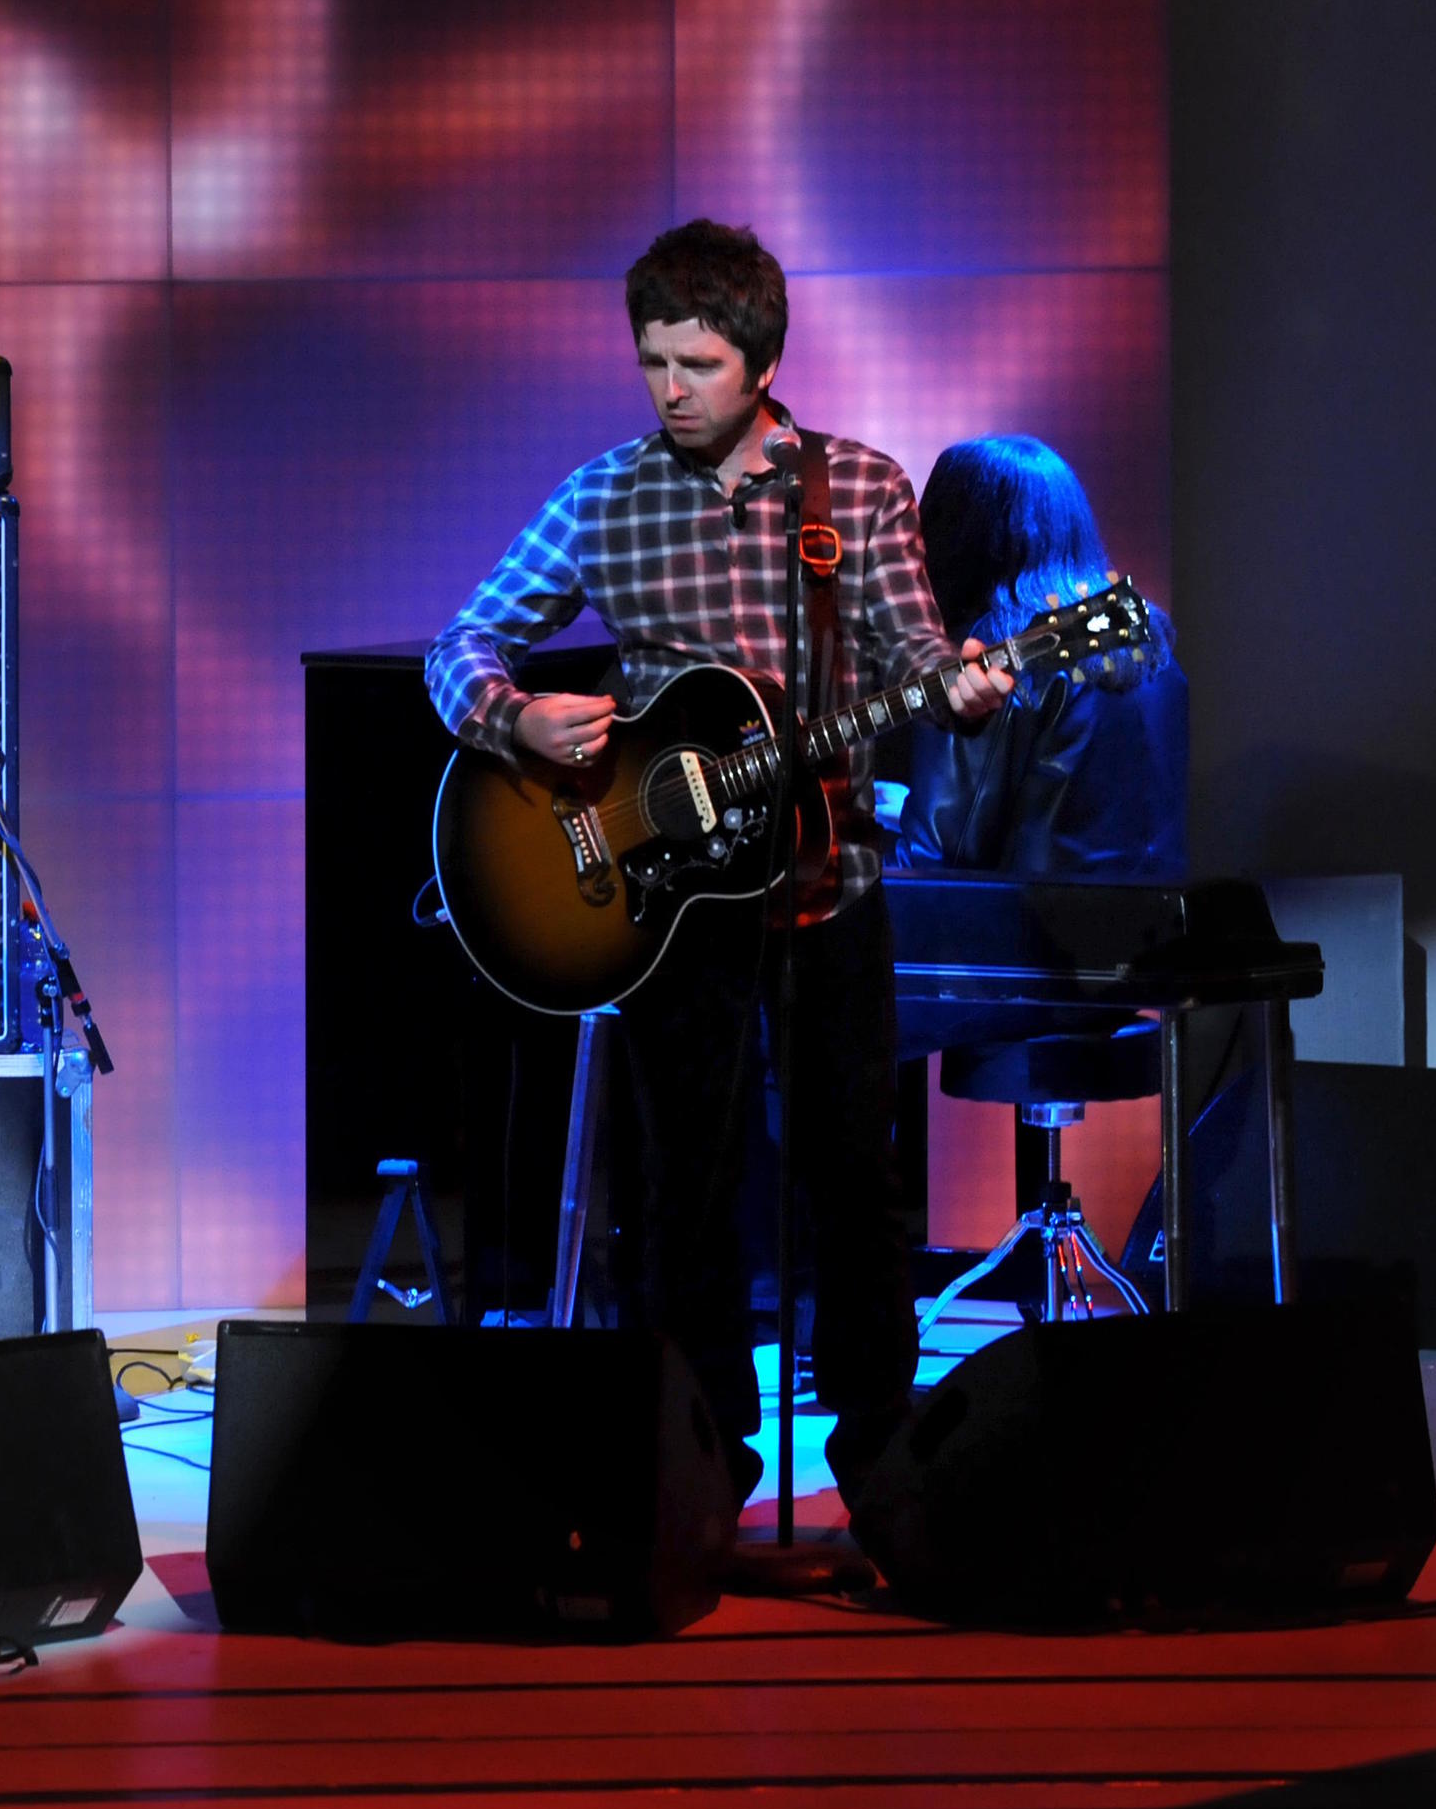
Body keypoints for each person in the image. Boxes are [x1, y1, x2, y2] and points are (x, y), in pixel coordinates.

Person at [425, 220, 1009, 1507]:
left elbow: (914, 649)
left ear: (761, 361)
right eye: (653, 363)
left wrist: (957, 688)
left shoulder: (851, 488)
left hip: (828, 890)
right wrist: (513, 717)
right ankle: (700, 1458)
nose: (671, 389)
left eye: (697, 363)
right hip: (666, 904)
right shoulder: (603, 496)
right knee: (679, 1190)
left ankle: (878, 1459)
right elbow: (461, 639)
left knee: (855, 1179)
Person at [886, 434, 1186, 882]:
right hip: (1156, 938)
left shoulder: (991, 651)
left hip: (1024, 937)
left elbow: (936, 859)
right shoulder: (1154, 653)